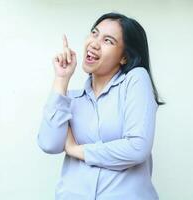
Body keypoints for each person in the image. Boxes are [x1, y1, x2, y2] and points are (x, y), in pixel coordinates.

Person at [37, 12, 164, 200]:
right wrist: (61, 79)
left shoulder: (135, 80)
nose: (94, 43)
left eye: (108, 41)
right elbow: (49, 144)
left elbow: (137, 147)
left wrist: (76, 150)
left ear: (124, 57)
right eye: (94, 33)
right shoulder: (71, 99)